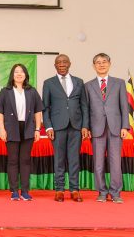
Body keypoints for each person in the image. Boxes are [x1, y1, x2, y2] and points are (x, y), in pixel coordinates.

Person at [42, 54, 89, 202]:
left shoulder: (79, 82)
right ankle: (60, 189)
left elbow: (84, 107)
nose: (62, 64)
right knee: (59, 159)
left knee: (74, 159)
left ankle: (75, 189)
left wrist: (85, 126)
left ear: (70, 64)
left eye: (64, 62)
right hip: (57, 127)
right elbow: (45, 107)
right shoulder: (49, 83)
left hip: (76, 126)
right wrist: (48, 127)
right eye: (59, 62)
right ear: (55, 65)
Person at [85, 53, 129, 204]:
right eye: (98, 62)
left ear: (110, 64)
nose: (101, 64)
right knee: (98, 163)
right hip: (96, 129)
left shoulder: (119, 83)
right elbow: (87, 109)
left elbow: (124, 107)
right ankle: (102, 192)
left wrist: (125, 126)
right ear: (93, 66)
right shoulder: (88, 85)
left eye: (104, 62)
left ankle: (116, 193)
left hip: (116, 128)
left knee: (115, 162)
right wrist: (87, 127)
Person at [0, 63, 43, 201]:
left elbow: (38, 111)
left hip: (28, 128)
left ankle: (25, 191)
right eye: (16, 72)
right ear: (12, 74)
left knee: (25, 160)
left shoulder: (32, 91)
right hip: (11, 129)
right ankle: (14, 191)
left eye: (22, 71)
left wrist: (37, 129)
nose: (19, 74)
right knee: (13, 160)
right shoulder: (6, 91)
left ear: (26, 75)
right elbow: (0, 112)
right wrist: (1, 129)